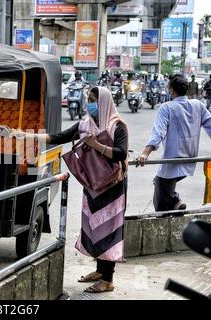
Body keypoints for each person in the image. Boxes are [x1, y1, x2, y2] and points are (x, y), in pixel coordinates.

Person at [14, 87, 129, 293]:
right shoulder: (85, 124)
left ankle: (108, 279)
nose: (90, 104)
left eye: (93, 100)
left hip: (112, 187)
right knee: (93, 227)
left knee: (108, 229)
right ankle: (100, 271)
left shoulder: (117, 126)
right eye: (88, 99)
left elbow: (120, 154)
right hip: (92, 183)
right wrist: (27, 136)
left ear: (103, 102)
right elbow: (59, 137)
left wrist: (96, 145)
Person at [136, 74, 211, 212]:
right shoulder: (198, 105)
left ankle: (174, 205)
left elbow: (158, 132)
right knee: (159, 182)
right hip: (190, 159)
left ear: (172, 90)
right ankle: (176, 201)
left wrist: (145, 153)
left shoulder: (166, 107)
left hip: (172, 161)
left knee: (161, 202)